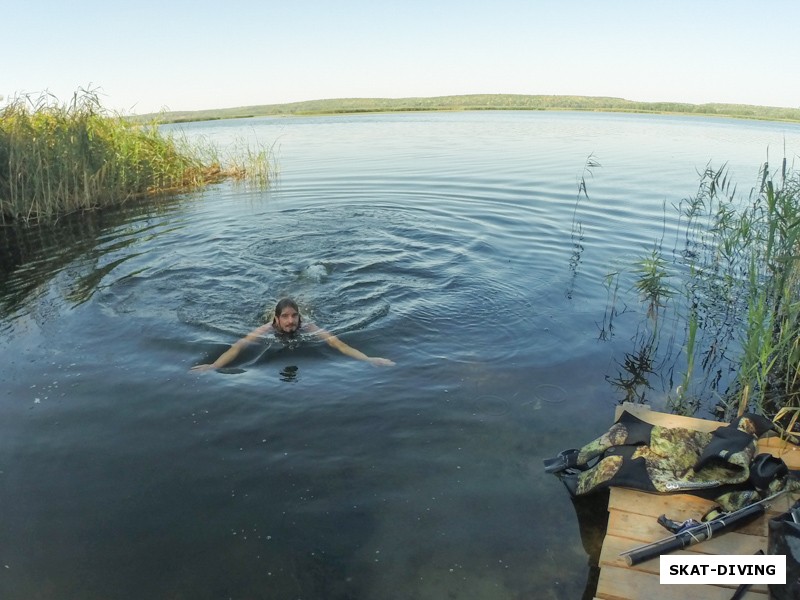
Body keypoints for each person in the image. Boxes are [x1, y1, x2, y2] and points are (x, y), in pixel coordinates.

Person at [191, 297, 395, 371]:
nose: (290, 321)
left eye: (294, 316)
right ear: (277, 319)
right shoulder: (266, 329)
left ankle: (302, 298)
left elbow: (338, 345)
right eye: (286, 317)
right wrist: (214, 366)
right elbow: (238, 346)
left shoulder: (308, 327)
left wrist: (368, 359)